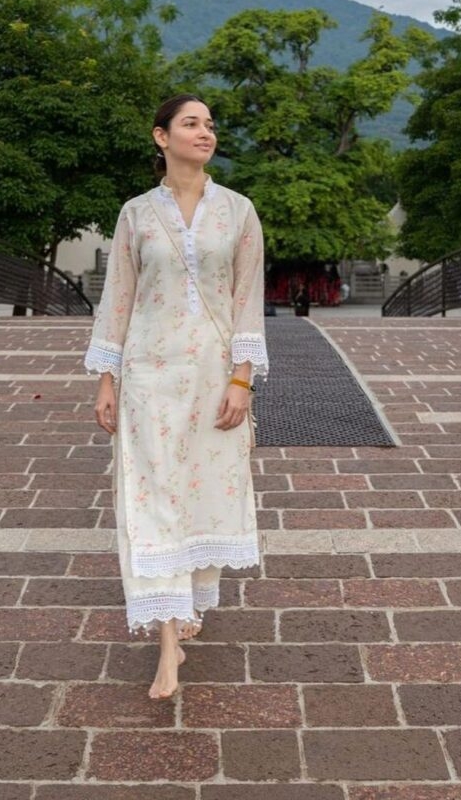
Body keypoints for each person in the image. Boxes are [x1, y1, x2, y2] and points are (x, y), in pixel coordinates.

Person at [84, 93, 268, 700]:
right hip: (148, 377)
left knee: (206, 495)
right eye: (191, 123)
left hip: (214, 378)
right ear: (161, 137)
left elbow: (247, 299)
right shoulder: (136, 214)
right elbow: (118, 297)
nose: (205, 132)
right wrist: (106, 377)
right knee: (151, 499)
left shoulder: (238, 211)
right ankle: (167, 645)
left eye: (211, 124)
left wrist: (242, 380)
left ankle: (186, 612)